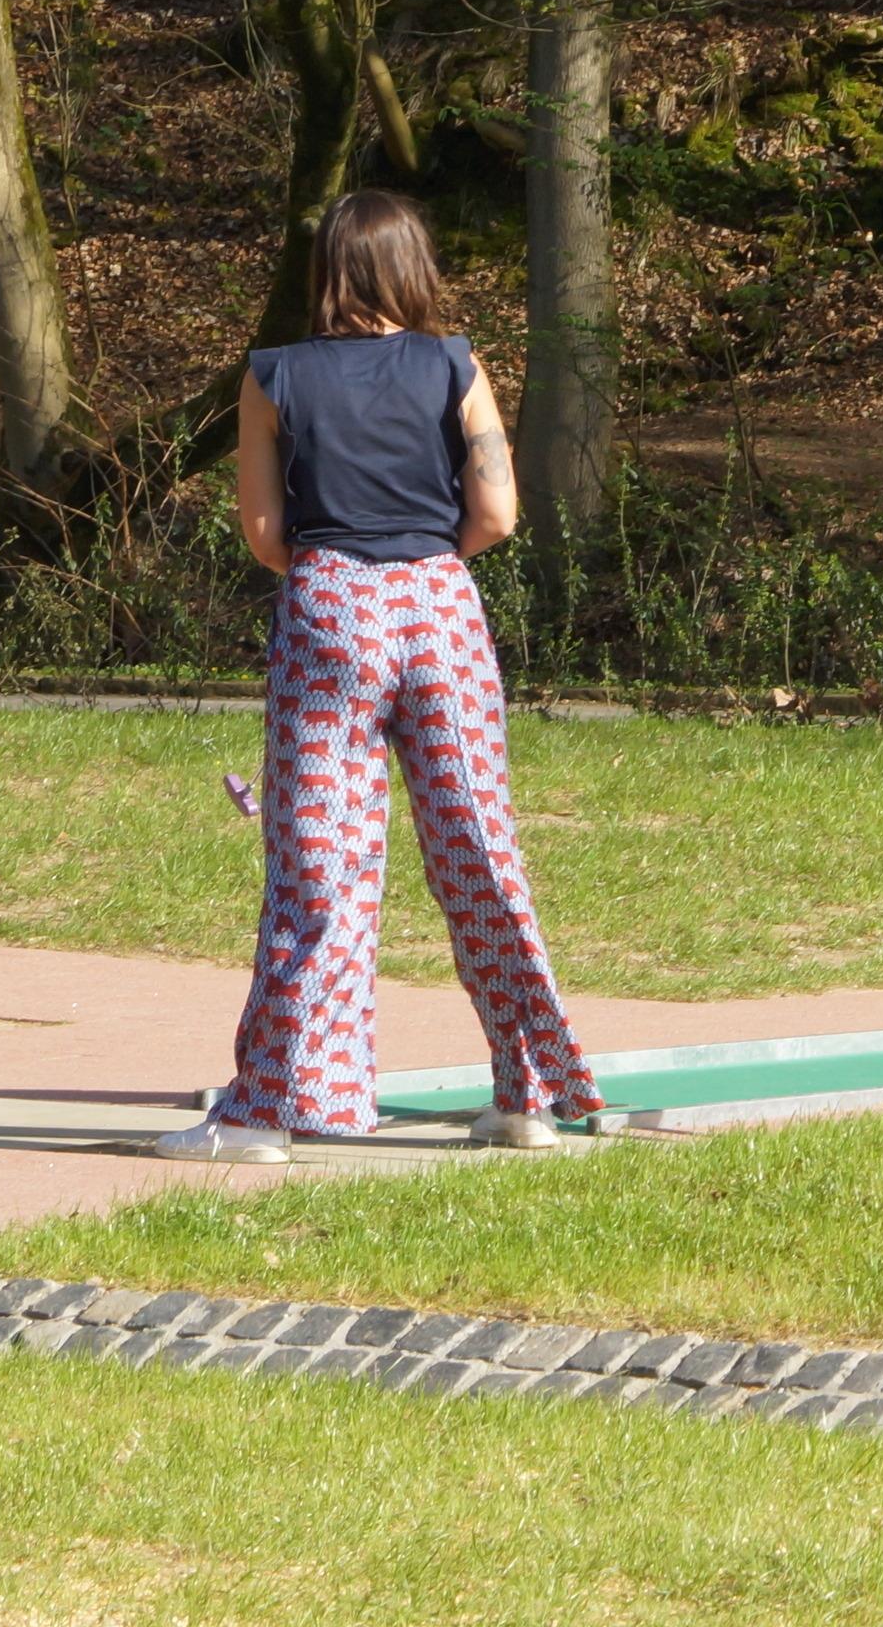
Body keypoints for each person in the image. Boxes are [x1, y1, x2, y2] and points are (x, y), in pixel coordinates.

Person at [154, 192, 602, 1161]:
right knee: (479, 852)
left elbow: (265, 534)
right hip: (441, 608)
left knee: (320, 864)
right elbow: (498, 513)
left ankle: (269, 1113)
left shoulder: (273, 377)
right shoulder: (456, 365)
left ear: (327, 270)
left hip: (329, 610)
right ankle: (526, 1097)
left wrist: (343, 570)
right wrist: (423, 565)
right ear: (412, 269)